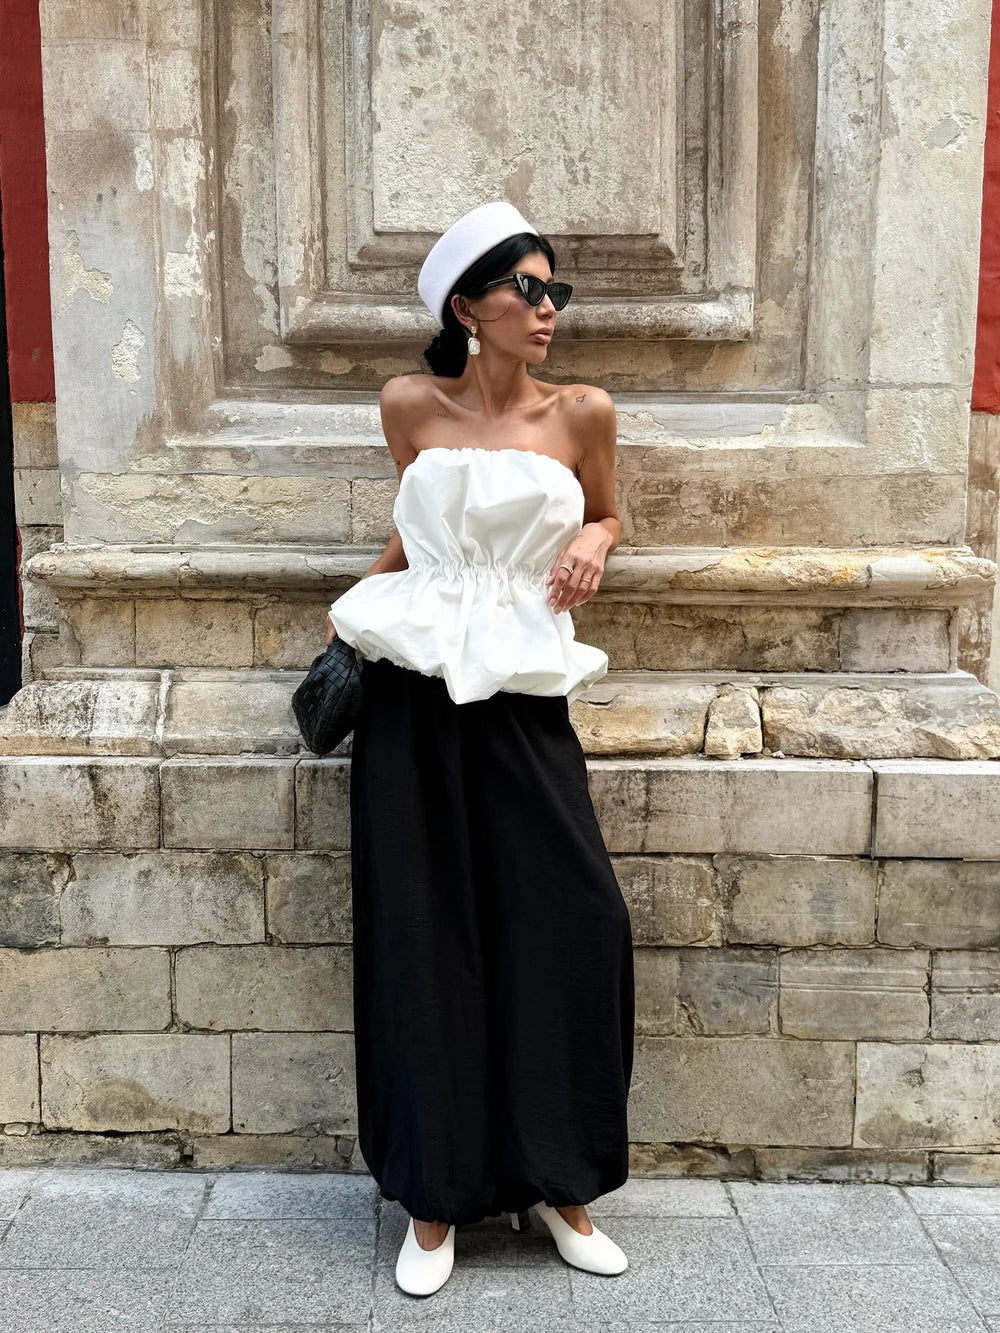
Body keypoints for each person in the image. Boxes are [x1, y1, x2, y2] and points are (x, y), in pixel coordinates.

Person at [326, 200, 635, 1297]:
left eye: (554, 291)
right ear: (468, 306)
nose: (548, 309)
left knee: (572, 917)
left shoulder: (583, 411)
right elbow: (414, 537)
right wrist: (348, 617)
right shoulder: (407, 403)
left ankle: (564, 1183)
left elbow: (606, 513)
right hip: (413, 693)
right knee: (425, 934)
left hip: (520, 693)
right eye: (528, 291)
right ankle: (434, 1196)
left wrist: (593, 540)